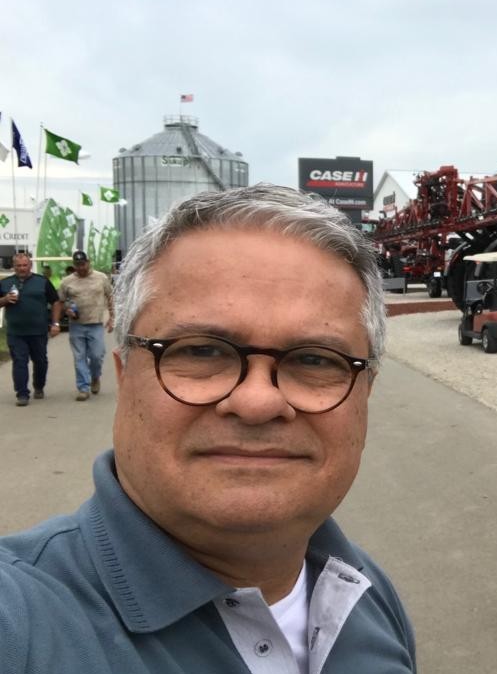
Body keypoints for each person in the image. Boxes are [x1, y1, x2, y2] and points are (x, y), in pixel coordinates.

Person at [0, 185, 416, 672]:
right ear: (124, 374)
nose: (258, 401)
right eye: (201, 351)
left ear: (365, 393)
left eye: (313, 359)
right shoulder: (20, 621)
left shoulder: (367, 595)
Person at [0, 253, 61, 406]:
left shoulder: (42, 282)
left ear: (30, 266)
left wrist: (55, 324)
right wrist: (5, 299)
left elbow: (56, 302)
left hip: (38, 331)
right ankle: (22, 394)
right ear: (14, 266)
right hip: (16, 332)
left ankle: (38, 386)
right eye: (18, 266)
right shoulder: (5, 283)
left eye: (24, 265)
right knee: (20, 362)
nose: (21, 268)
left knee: (40, 361)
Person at [57, 250, 114, 400]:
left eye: (83, 264)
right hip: (76, 325)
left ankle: (95, 377)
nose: (81, 267)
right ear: (74, 265)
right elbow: (61, 302)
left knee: (97, 355)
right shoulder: (67, 281)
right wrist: (66, 310)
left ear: (88, 262)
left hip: (95, 323)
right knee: (79, 357)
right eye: (77, 265)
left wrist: (113, 317)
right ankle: (83, 388)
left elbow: (110, 296)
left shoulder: (101, 278)